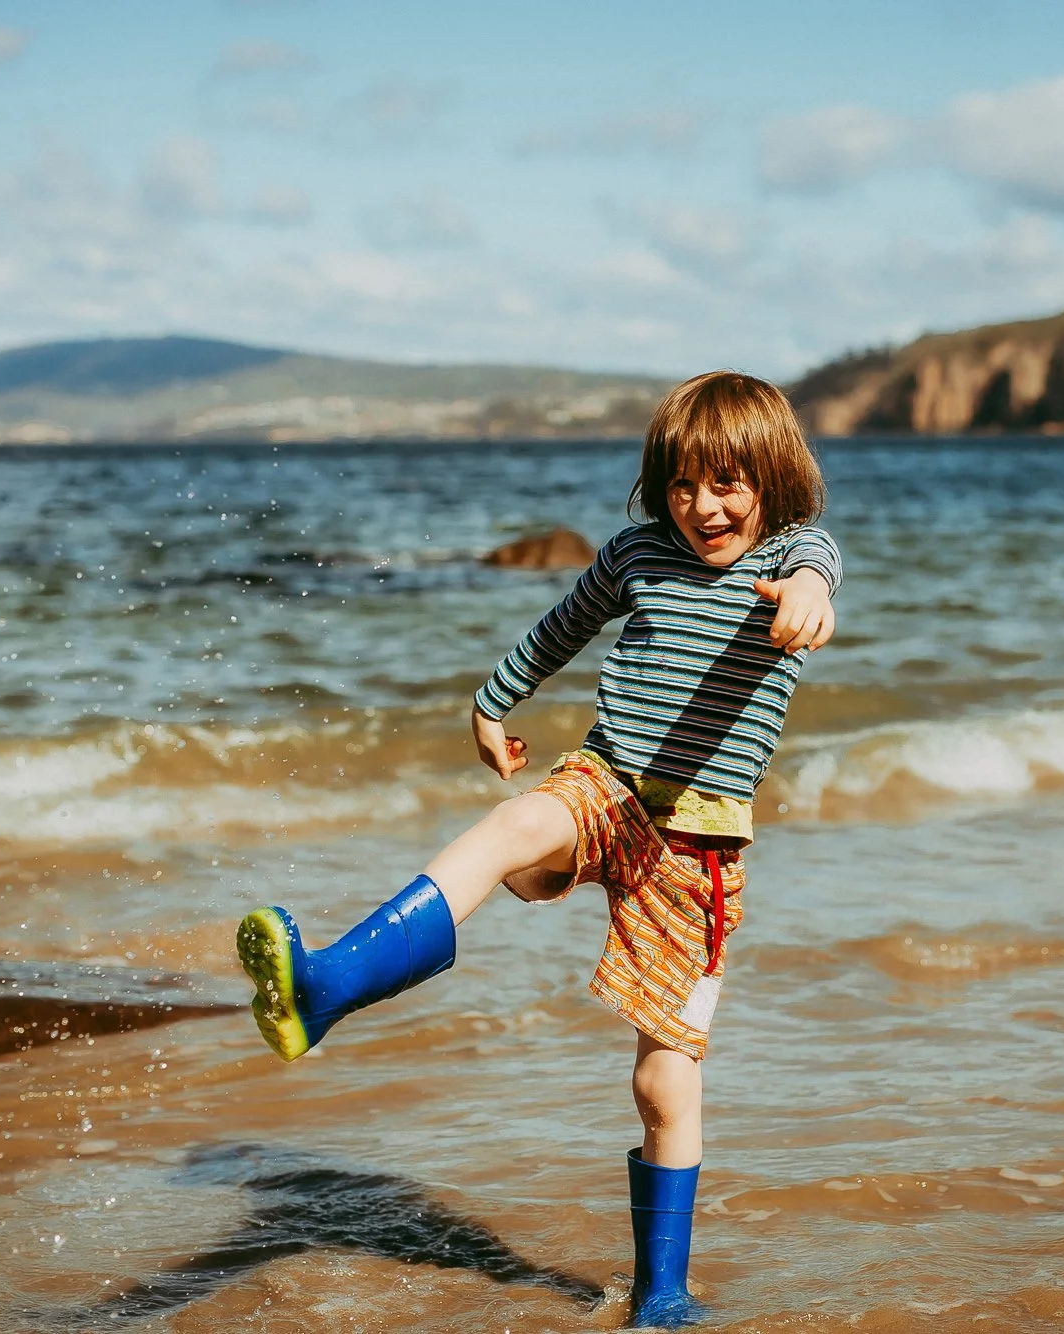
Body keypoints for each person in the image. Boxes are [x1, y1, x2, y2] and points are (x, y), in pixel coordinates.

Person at [236, 369, 840, 1328]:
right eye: (682, 484)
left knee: (660, 1080)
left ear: (771, 476)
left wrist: (806, 601)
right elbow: (565, 622)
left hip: (697, 850)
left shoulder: (796, 552)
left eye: (726, 483)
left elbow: (817, 580)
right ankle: (328, 984)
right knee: (515, 824)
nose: (702, 506)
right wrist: (491, 699)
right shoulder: (641, 551)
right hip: (605, 785)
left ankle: (664, 1294)